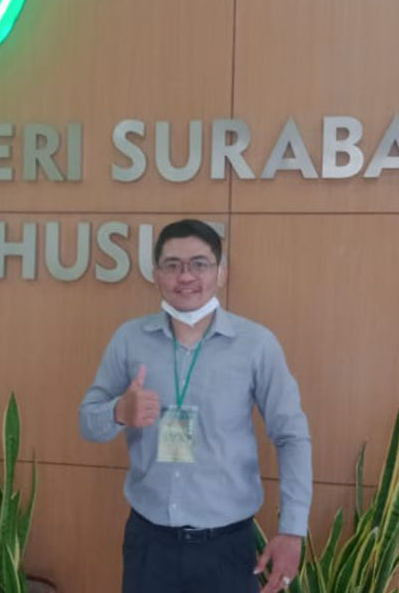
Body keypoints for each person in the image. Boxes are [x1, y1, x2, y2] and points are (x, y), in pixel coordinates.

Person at [78, 219, 312, 593]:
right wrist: (119, 412)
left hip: (227, 548)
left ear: (221, 272)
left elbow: (292, 436)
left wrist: (293, 531)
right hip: (149, 545)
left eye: (199, 264)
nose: (186, 276)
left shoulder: (256, 345)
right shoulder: (129, 339)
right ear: (157, 274)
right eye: (172, 265)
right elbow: (87, 421)